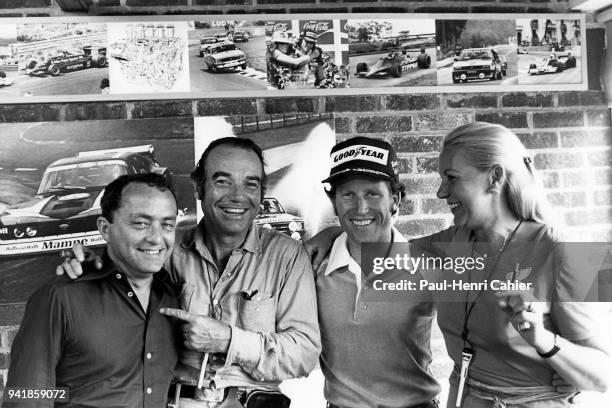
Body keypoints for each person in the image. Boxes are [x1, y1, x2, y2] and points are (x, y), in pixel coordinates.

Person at [308, 122, 612, 407]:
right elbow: (379, 241)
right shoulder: (456, 240)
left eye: (451, 178)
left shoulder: (570, 250)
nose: (441, 192)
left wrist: (546, 342)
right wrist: (330, 233)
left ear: (495, 177)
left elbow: (603, 375)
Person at [58, 137, 321, 407]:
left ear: (261, 193)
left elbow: (304, 354)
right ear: (198, 188)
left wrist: (228, 340)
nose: (238, 195)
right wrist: (95, 265)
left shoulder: (287, 256)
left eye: (250, 184)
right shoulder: (166, 251)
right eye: (222, 181)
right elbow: (118, 299)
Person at [5, 173, 182, 407]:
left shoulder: (172, 299)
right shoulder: (60, 298)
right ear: (105, 229)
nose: (156, 238)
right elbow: (26, 396)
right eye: (141, 223)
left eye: (167, 225)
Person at [317, 136, 440, 408]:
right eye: (348, 195)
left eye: (372, 193)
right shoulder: (312, 265)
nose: (360, 208)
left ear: (395, 199)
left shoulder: (427, 266)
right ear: (335, 202)